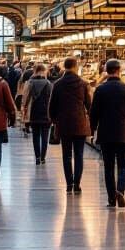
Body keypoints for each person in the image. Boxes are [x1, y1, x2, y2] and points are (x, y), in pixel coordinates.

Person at [90, 58, 125, 207]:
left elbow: (94, 113)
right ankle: (120, 191)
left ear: (106, 71)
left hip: (106, 133)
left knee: (108, 167)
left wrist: (92, 130)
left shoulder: (100, 90)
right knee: (123, 165)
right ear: (119, 70)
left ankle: (111, 198)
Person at [48, 56, 92, 194]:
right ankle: (77, 184)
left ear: (64, 67)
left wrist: (54, 121)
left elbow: (52, 106)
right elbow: (89, 105)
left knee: (66, 155)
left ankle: (68, 184)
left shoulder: (57, 84)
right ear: (75, 66)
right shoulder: (83, 84)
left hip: (64, 124)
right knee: (79, 155)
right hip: (79, 124)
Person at [23, 64, 53, 165]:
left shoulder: (30, 82)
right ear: (43, 71)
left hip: (34, 112)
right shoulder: (48, 83)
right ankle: (43, 157)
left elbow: (26, 98)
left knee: (35, 136)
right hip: (46, 112)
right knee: (45, 136)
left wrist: (25, 109)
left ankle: (37, 157)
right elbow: (51, 99)